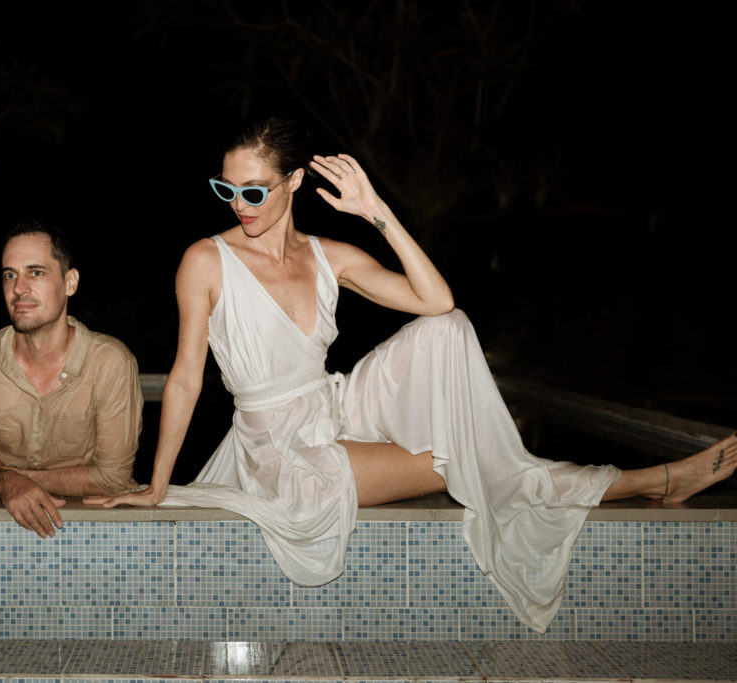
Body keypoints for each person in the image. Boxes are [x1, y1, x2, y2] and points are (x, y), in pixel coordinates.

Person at [87, 116, 737, 633]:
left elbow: (438, 299)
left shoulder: (328, 255)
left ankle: (657, 479)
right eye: (225, 189)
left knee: (448, 332)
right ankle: (656, 479)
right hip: (278, 448)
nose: (239, 204)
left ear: (290, 183)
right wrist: (156, 485)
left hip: (334, 407)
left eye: (253, 190)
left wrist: (377, 211)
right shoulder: (205, 260)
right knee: (472, 460)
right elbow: (183, 380)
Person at [0, 219, 142, 538]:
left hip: (99, 534)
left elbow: (112, 478)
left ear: (70, 283)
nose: (18, 288)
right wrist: (6, 483)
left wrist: (13, 477)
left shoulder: (109, 363)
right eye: (10, 274)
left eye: (35, 272)